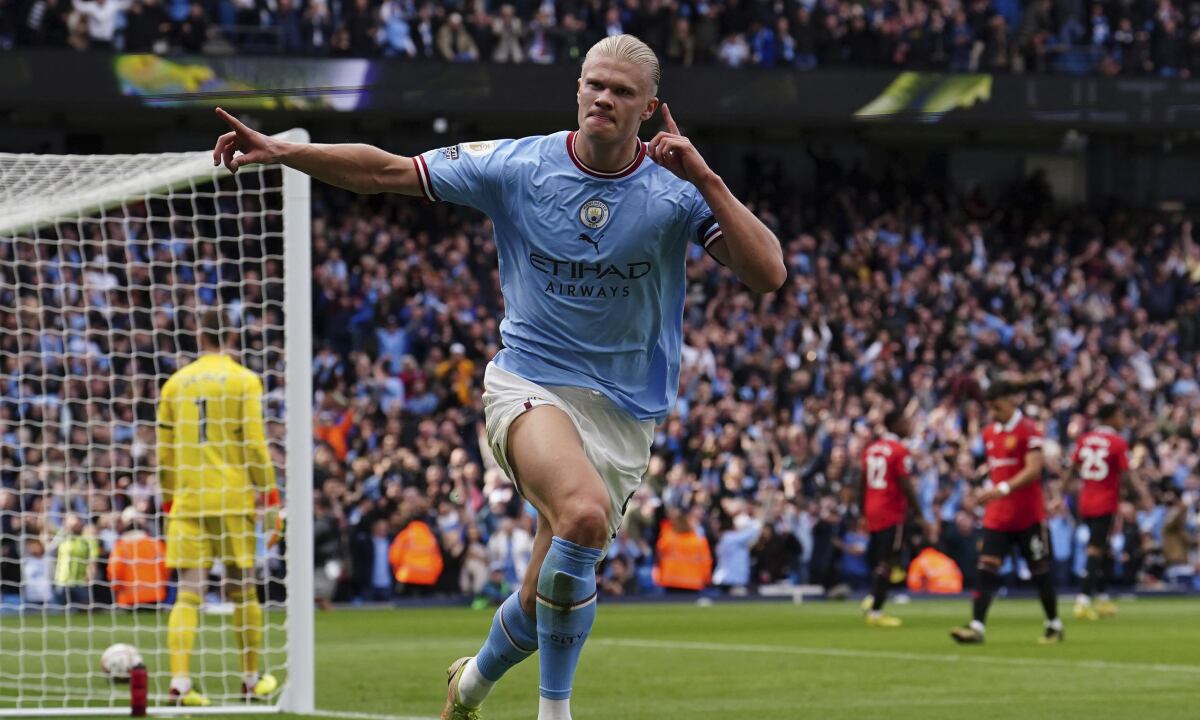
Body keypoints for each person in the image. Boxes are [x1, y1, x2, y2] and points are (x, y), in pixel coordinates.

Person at [212, 32, 785, 720]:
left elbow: (768, 274)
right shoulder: (518, 165)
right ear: (577, 90)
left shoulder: (676, 192)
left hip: (626, 410)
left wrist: (709, 180)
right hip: (530, 382)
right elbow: (386, 171)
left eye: (622, 91)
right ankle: (555, 713)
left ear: (649, 108)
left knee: (547, 585)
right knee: (580, 513)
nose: (604, 97)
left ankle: (470, 687)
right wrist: (283, 150)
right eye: (593, 84)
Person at [157, 308, 280, 706]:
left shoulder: (175, 384)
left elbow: (163, 455)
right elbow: (254, 443)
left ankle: (180, 684)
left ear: (198, 337)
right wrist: (270, 493)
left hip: (189, 500)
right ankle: (249, 680)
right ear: (229, 337)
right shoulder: (244, 380)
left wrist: (168, 497)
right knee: (242, 590)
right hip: (233, 498)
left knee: (189, 594)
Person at [951, 381, 1063, 645]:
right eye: (990, 408)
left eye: (998, 407)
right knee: (986, 569)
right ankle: (977, 626)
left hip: (1028, 516)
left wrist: (1000, 488)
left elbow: (1033, 470)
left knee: (1040, 570)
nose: (994, 413)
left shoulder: (1029, 430)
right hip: (998, 517)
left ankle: (1054, 624)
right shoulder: (990, 433)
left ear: (1011, 401)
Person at [1066, 403, 1148, 620]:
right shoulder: (1117, 442)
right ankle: (1083, 600)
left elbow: (1072, 469)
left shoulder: (1084, 439)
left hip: (1085, 501)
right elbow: (1127, 474)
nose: (1123, 421)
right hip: (1105, 502)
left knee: (1103, 548)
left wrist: (1063, 490)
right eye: (1120, 416)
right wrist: (1141, 497)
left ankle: (1101, 598)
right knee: (1095, 549)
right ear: (1111, 418)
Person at [858, 409, 923, 627]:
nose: (909, 426)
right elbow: (905, 484)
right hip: (890, 510)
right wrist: (919, 512)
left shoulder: (871, 449)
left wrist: (861, 511)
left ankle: (873, 596)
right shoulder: (898, 450)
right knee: (888, 561)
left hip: (872, 508)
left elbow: (861, 482)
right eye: (905, 422)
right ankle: (876, 611)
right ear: (894, 425)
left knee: (883, 559)